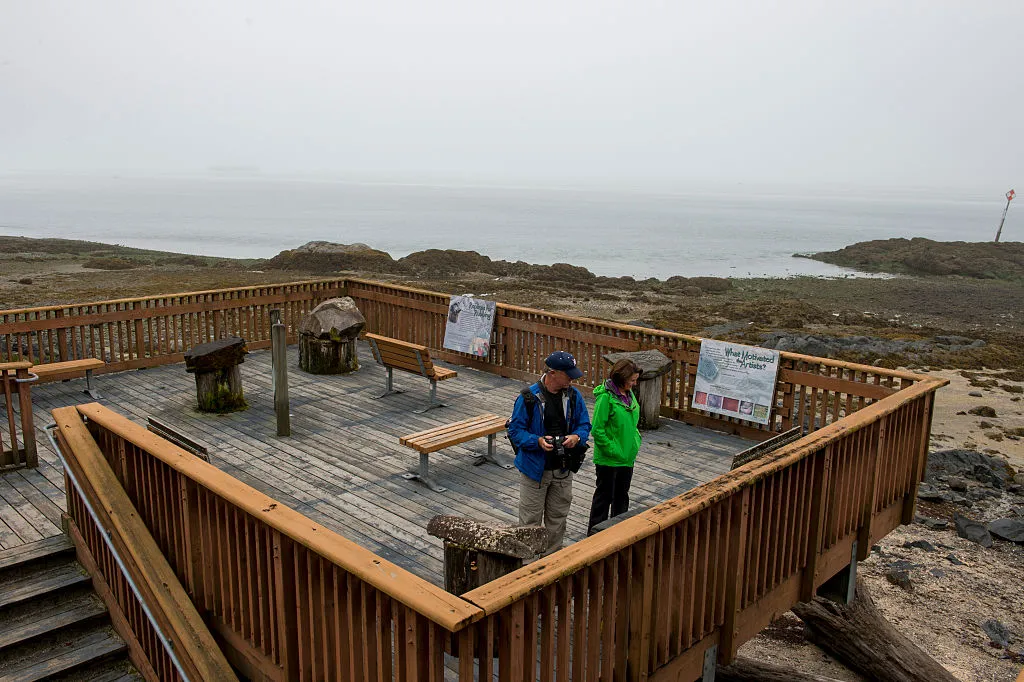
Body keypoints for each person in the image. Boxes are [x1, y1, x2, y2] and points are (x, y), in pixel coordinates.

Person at [508, 350, 592, 556]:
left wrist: (577, 437)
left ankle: (552, 561)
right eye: (569, 374)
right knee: (530, 522)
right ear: (552, 373)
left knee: (558, 518)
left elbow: (585, 424)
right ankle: (526, 566)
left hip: (563, 469)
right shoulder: (527, 398)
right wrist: (536, 441)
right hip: (535, 470)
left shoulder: (574, 395)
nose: (573, 378)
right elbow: (515, 430)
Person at [587, 358, 642, 536]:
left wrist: (635, 441)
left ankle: (618, 535)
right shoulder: (605, 398)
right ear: (621, 378)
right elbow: (597, 429)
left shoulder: (628, 393)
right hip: (609, 459)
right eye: (632, 380)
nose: (635, 383)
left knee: (621, 497)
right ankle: (595, 537)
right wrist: (613, 449)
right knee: (604, 498)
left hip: (627, 456)